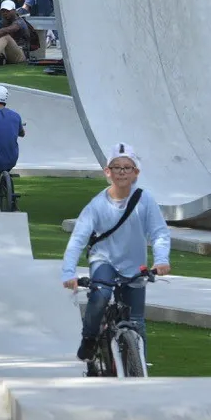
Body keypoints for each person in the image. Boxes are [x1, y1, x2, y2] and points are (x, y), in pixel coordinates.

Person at [61, 143, 171, 361]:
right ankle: (89, 339)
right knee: (100, 296)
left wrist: (161, 260)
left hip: (134, 265)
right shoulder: (96, 205)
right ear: (107, 172)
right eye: (116, 167)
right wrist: (68, 272)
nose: (122, 172)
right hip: (104, 260)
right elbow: (78, 240)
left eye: (127, 167)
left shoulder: (145, 200)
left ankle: (140, 373)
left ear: (136, 173)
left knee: (137, 322)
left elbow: (159, 233)